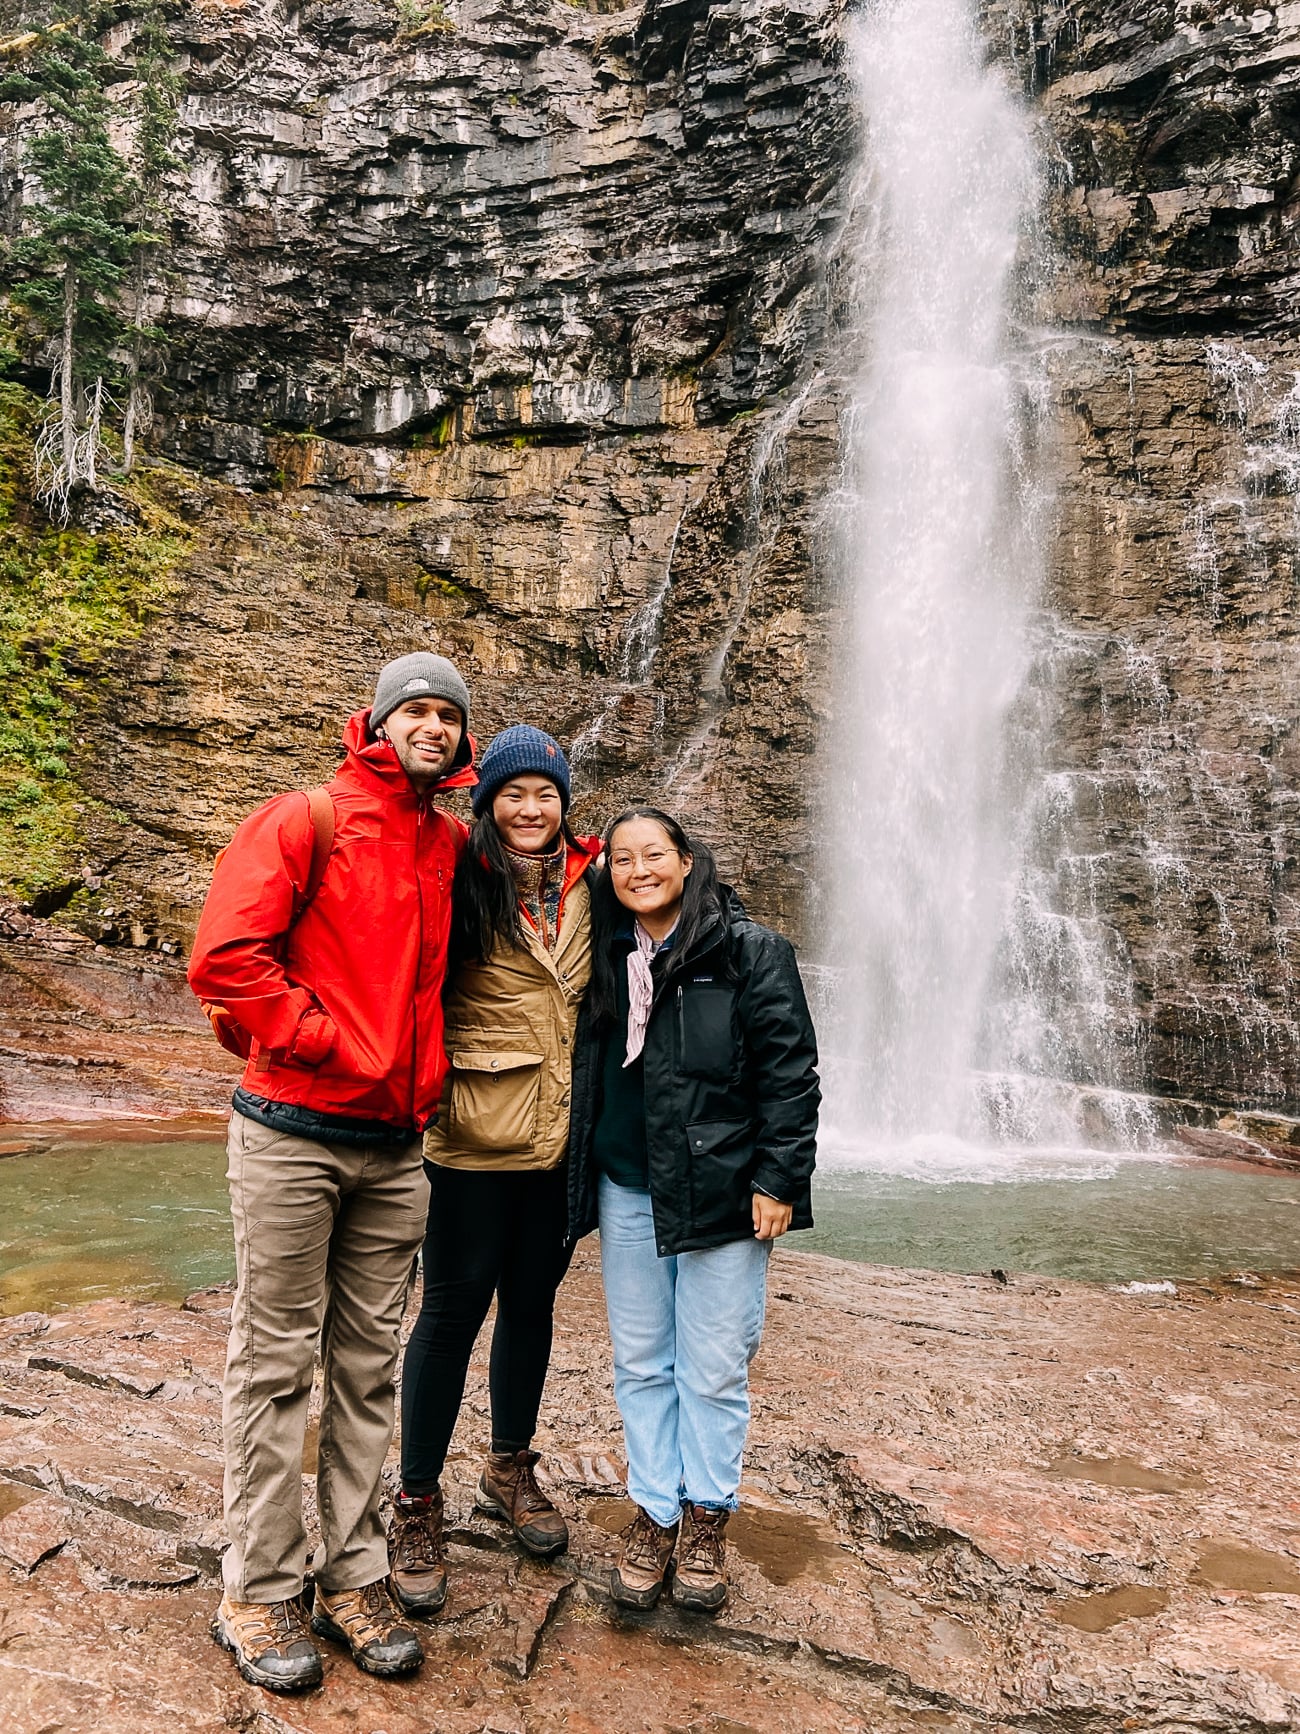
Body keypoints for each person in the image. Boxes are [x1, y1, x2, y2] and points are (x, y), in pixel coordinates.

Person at [187, 651, 477, 1693]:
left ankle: (351, 1573)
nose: (433, 727)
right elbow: (223, 958)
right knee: (273, 1364)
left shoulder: (449, 841)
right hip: (293, 1131)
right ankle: (257, 1590)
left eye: (449, 715)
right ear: (379, 722)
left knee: (366, 1367)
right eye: (418, 711)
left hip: (398, 1150)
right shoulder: (303, 818)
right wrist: (327, 1041)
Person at [567, 807, 819, 1613]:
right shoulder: (605, 954)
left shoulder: (750, 951)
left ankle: (707, 1517)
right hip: (628, 1185)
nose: (638, 869)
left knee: (710, 1369)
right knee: (642, 1361)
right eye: (622, 858)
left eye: (654, 854)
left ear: (685, 861)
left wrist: (779, 1182)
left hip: (722, 1192)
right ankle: (655, 1511)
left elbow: (791, 1076)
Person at [387, 725, 600, 1617]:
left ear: (563, 804)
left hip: (559, 1140)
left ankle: (509, 1464)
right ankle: (415, 1503)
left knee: (534, 1305)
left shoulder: (596, 885)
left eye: (544, 793)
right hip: (472, 1133)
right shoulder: (458, 877)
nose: (529, 808)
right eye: (512, 793)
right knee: (448, 1313)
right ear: (487, 803)